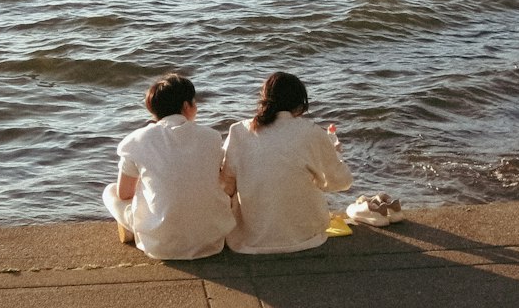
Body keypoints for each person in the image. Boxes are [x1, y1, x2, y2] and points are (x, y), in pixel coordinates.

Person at [102, 72, 235, 260]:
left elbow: (124, 194)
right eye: (194, 102)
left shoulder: (135, 140)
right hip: (211, 241)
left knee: (111, 191)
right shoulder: (211, 137)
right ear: (186, 106)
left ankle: (133, 227)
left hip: (159, 245)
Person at [220, 72, 352, 254]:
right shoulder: (312, 132)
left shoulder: (239, 131)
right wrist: (334, 154)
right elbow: (341, 182)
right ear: (299, 103)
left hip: (249, 239)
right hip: (306, 236)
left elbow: (226, 187)